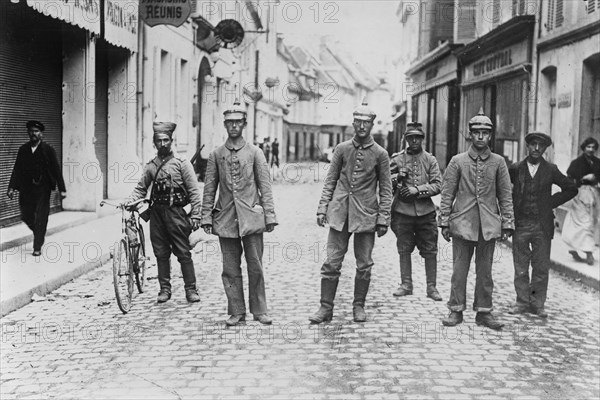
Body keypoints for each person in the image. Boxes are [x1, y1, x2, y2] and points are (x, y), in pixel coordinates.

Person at [309, 101, 393, 324]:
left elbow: (386, 188)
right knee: (331, 262)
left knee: (364, 263)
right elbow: (331, 181)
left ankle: (359, 305)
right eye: (358, 122)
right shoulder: (341, 149)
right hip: (339, 214)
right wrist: (322, 208)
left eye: (366, 122)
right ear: (353, 123)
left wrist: (383, 218)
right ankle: (325, 308)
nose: (362, 126)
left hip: (366, 214)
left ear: (373, 124)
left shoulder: (380, 154)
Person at [201, 100, 277, 327]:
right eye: (230, 122)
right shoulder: (216, 155)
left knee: (256, 265)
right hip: (226, 219)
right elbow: (209, 188)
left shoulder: (255, 153)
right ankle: (236, 311)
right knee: (230, 268)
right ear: (225, 125)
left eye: (238, 122)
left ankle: (260, 310)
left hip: (251, 218)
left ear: (244, 124)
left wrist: (270, 216)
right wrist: (206, 216)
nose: (234, 126)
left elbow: (265, 186)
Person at [439, 109, 514, 331]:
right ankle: (455, 309)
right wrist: (444, 221)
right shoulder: (457, 161)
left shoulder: (499, 162)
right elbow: (447, 194)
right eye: (476, 132)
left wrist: (507, 222)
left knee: (485, 271)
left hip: (488, 225)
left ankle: (484, 312)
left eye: (485, 133)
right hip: (462, 223)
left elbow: (505, 195)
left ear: (490, 136)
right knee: (459, 270)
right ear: (470, 135)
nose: (481, 137)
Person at [130, 121, 202, 303]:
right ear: (154, 142)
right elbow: (141, 188)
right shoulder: (151, 166)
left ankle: (191, 289)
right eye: (159, 140)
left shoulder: (182, 163)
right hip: (157, 215)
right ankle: (164, 289)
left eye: (166, 140)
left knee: (183, 252)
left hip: (176, 213)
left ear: (172, 140)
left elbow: (194, 191)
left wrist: (196, 215)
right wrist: (131, 201)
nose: (163, 144)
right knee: (160, 253)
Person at [508, 132, 577, 318]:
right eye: (533, 144)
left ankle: (537, 304)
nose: (536, 148)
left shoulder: (551, 169)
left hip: (542, 226)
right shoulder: (515, 168)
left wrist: (551, 202)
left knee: (540, 267)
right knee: (520, 266)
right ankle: (522, 302)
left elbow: (571, 188)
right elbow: (504, 190)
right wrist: (508, 215)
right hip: (521, 224)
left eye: (541, 145)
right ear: (527, 146)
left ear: (545, 149)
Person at [390, 122, 442, 301]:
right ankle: (406, 284)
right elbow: (384, 183)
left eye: (417, 138)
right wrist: (397, 177)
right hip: (402, 212)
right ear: (405, 139)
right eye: (410, 137)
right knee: (404, 248)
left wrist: (417, 190)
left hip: (425, 213)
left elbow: (438, 184)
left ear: (422, 139)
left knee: (430, 249)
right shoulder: (396, 159)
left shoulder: (430, 160)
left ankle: (431, 287)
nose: (414, 141)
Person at [7, 120, 67, 256]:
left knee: (41, 216)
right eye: (31, 131)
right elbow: (17, 169)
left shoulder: (48, 150)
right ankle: (39, 232)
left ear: (41, 134)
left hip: (43, 189)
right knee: (26, 215)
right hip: (26, 188)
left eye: (36, 131)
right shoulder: (23, 150)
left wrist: (62, 189)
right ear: (28, 133)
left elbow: (56, 170)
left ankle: (37, 246)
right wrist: (11, 187)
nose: (33, 133)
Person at [562, 137, 600, 265]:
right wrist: (584, 178)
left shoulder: (597, 162)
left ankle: (575, 248)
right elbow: (570, 180)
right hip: (580, 195)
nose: (591, 149)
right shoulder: (576, 163)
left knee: (591, 221)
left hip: (594, 195)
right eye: (588, 147)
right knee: (584, 223)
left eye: (593, 147)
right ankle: (589, 253)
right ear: (584, 148)